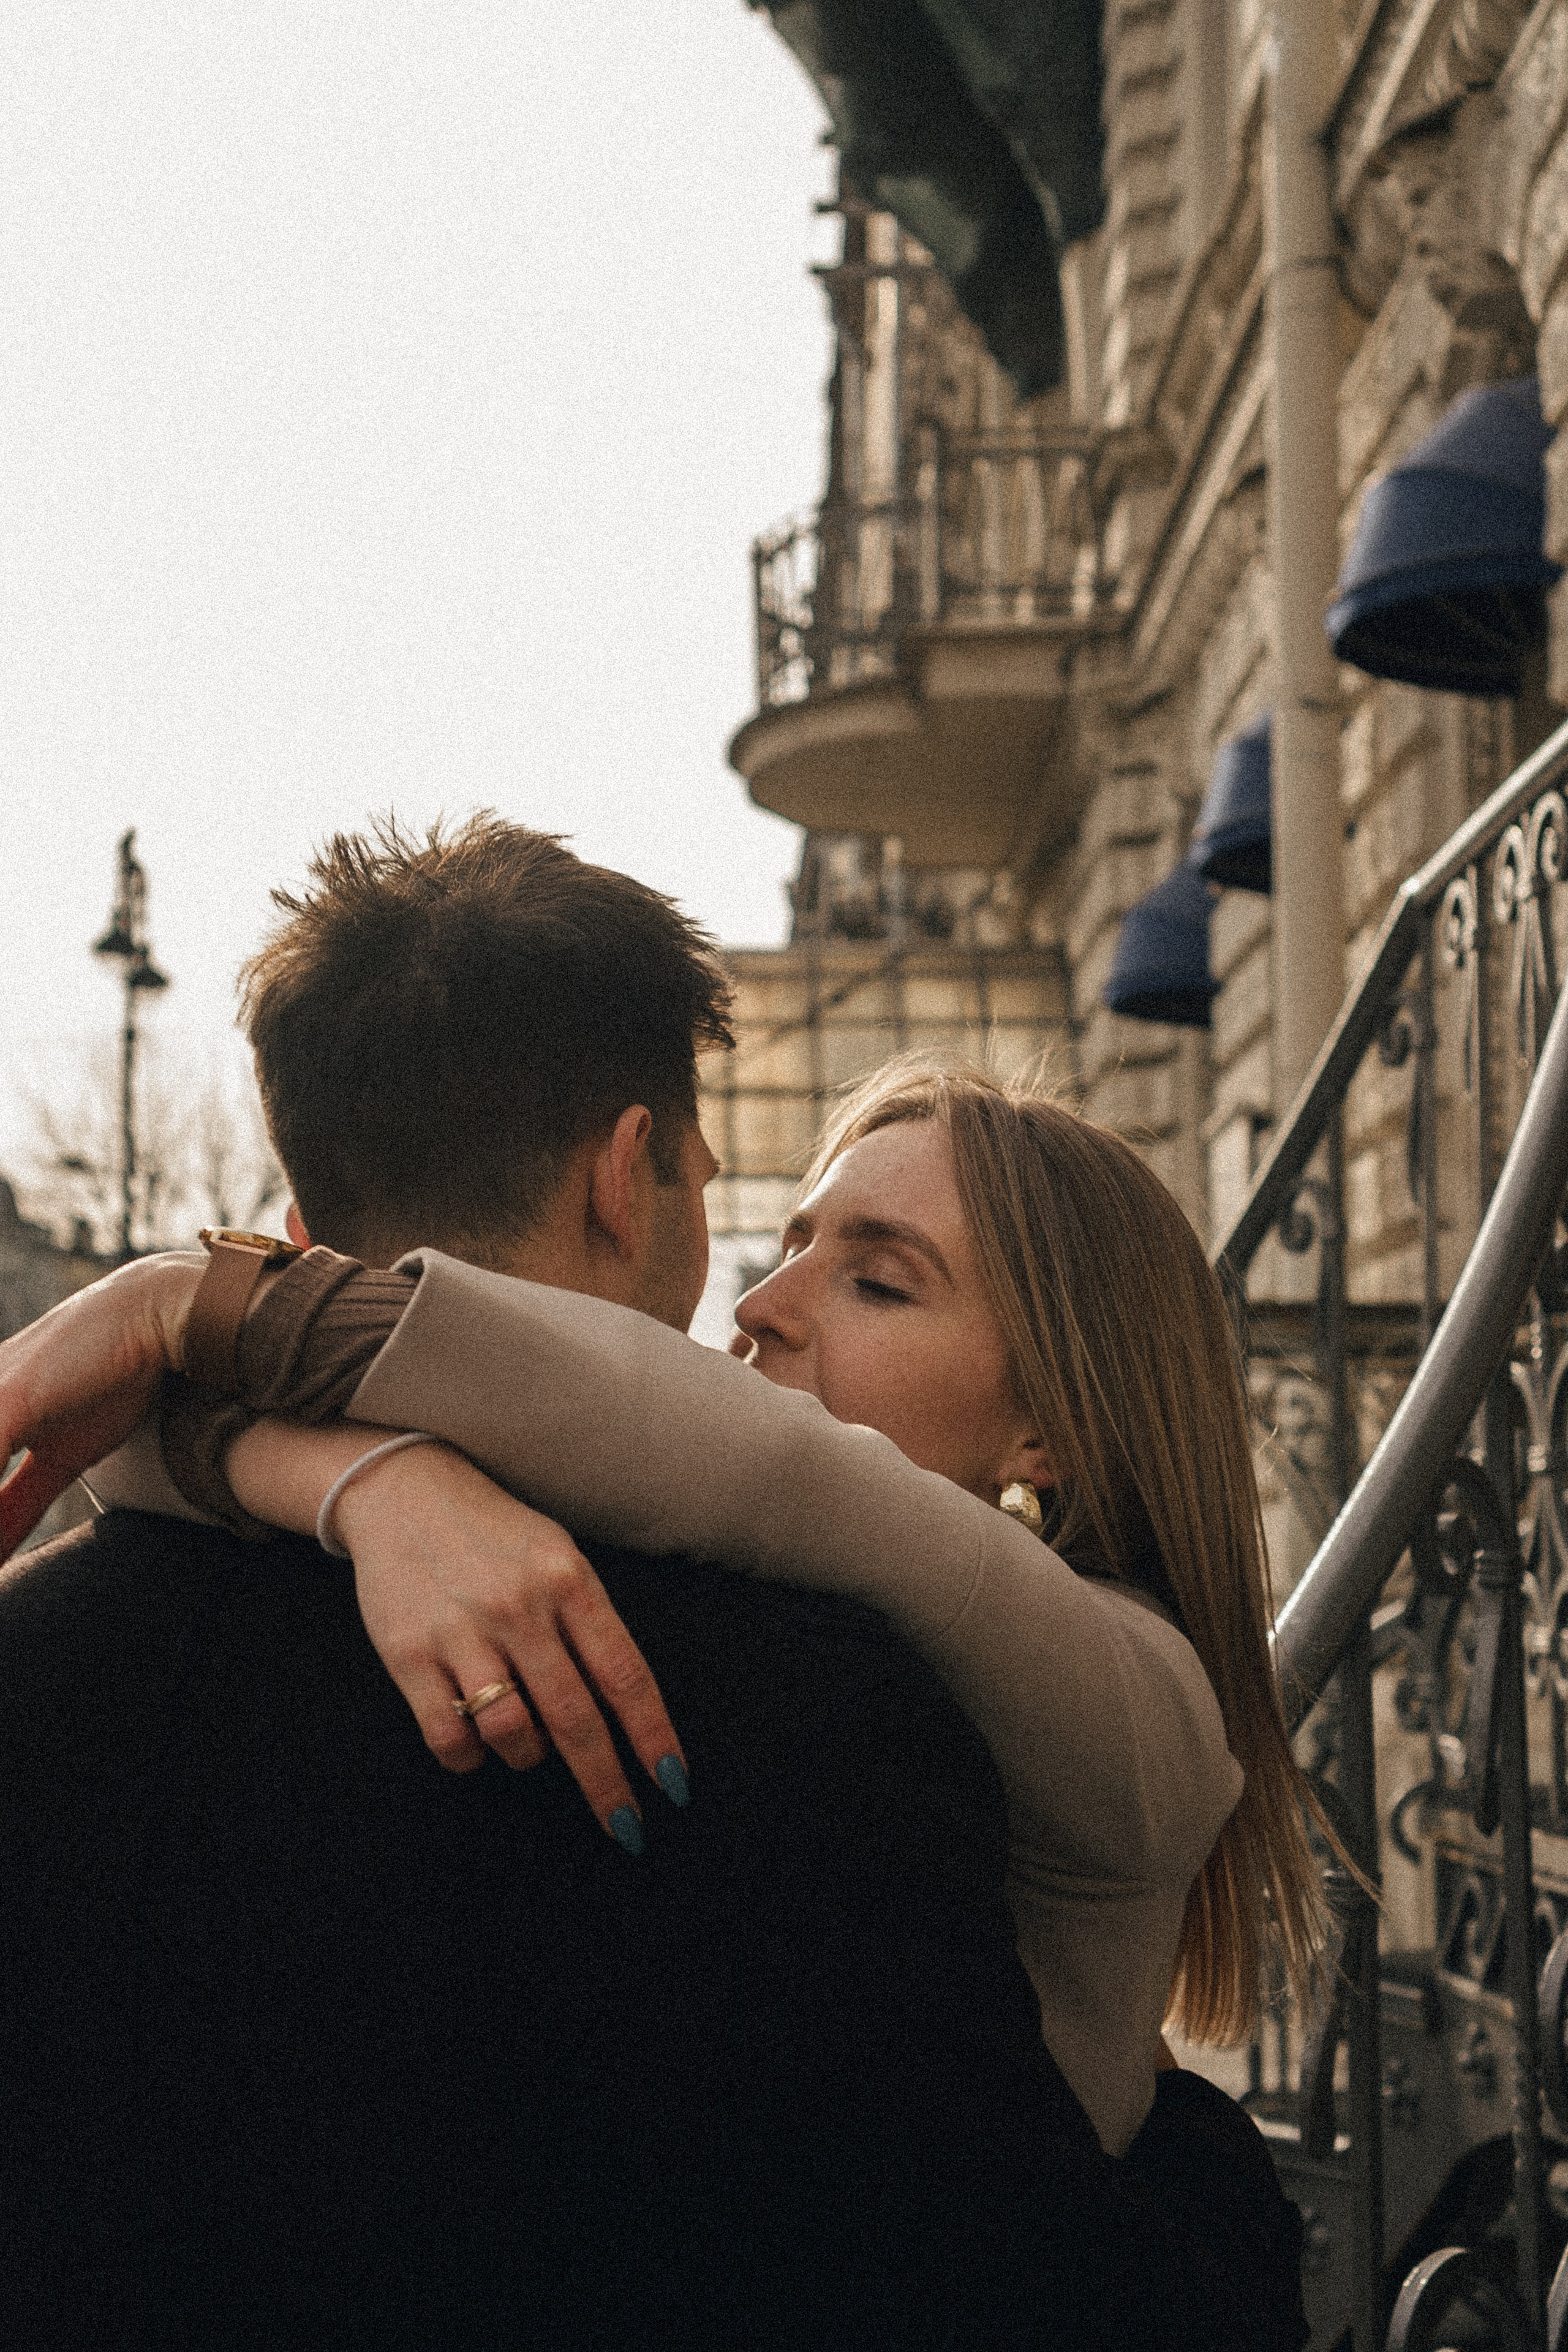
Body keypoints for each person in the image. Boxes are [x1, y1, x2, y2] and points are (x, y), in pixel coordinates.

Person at [0, 818, 1301, 2351]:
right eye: (778, 1230)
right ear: (634, 1180)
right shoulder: (814, 1725)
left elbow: (753, 1466)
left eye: (876, 1277)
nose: (758, 1300)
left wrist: (206, 1329)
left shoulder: (46, 1647)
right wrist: (340, 1465)